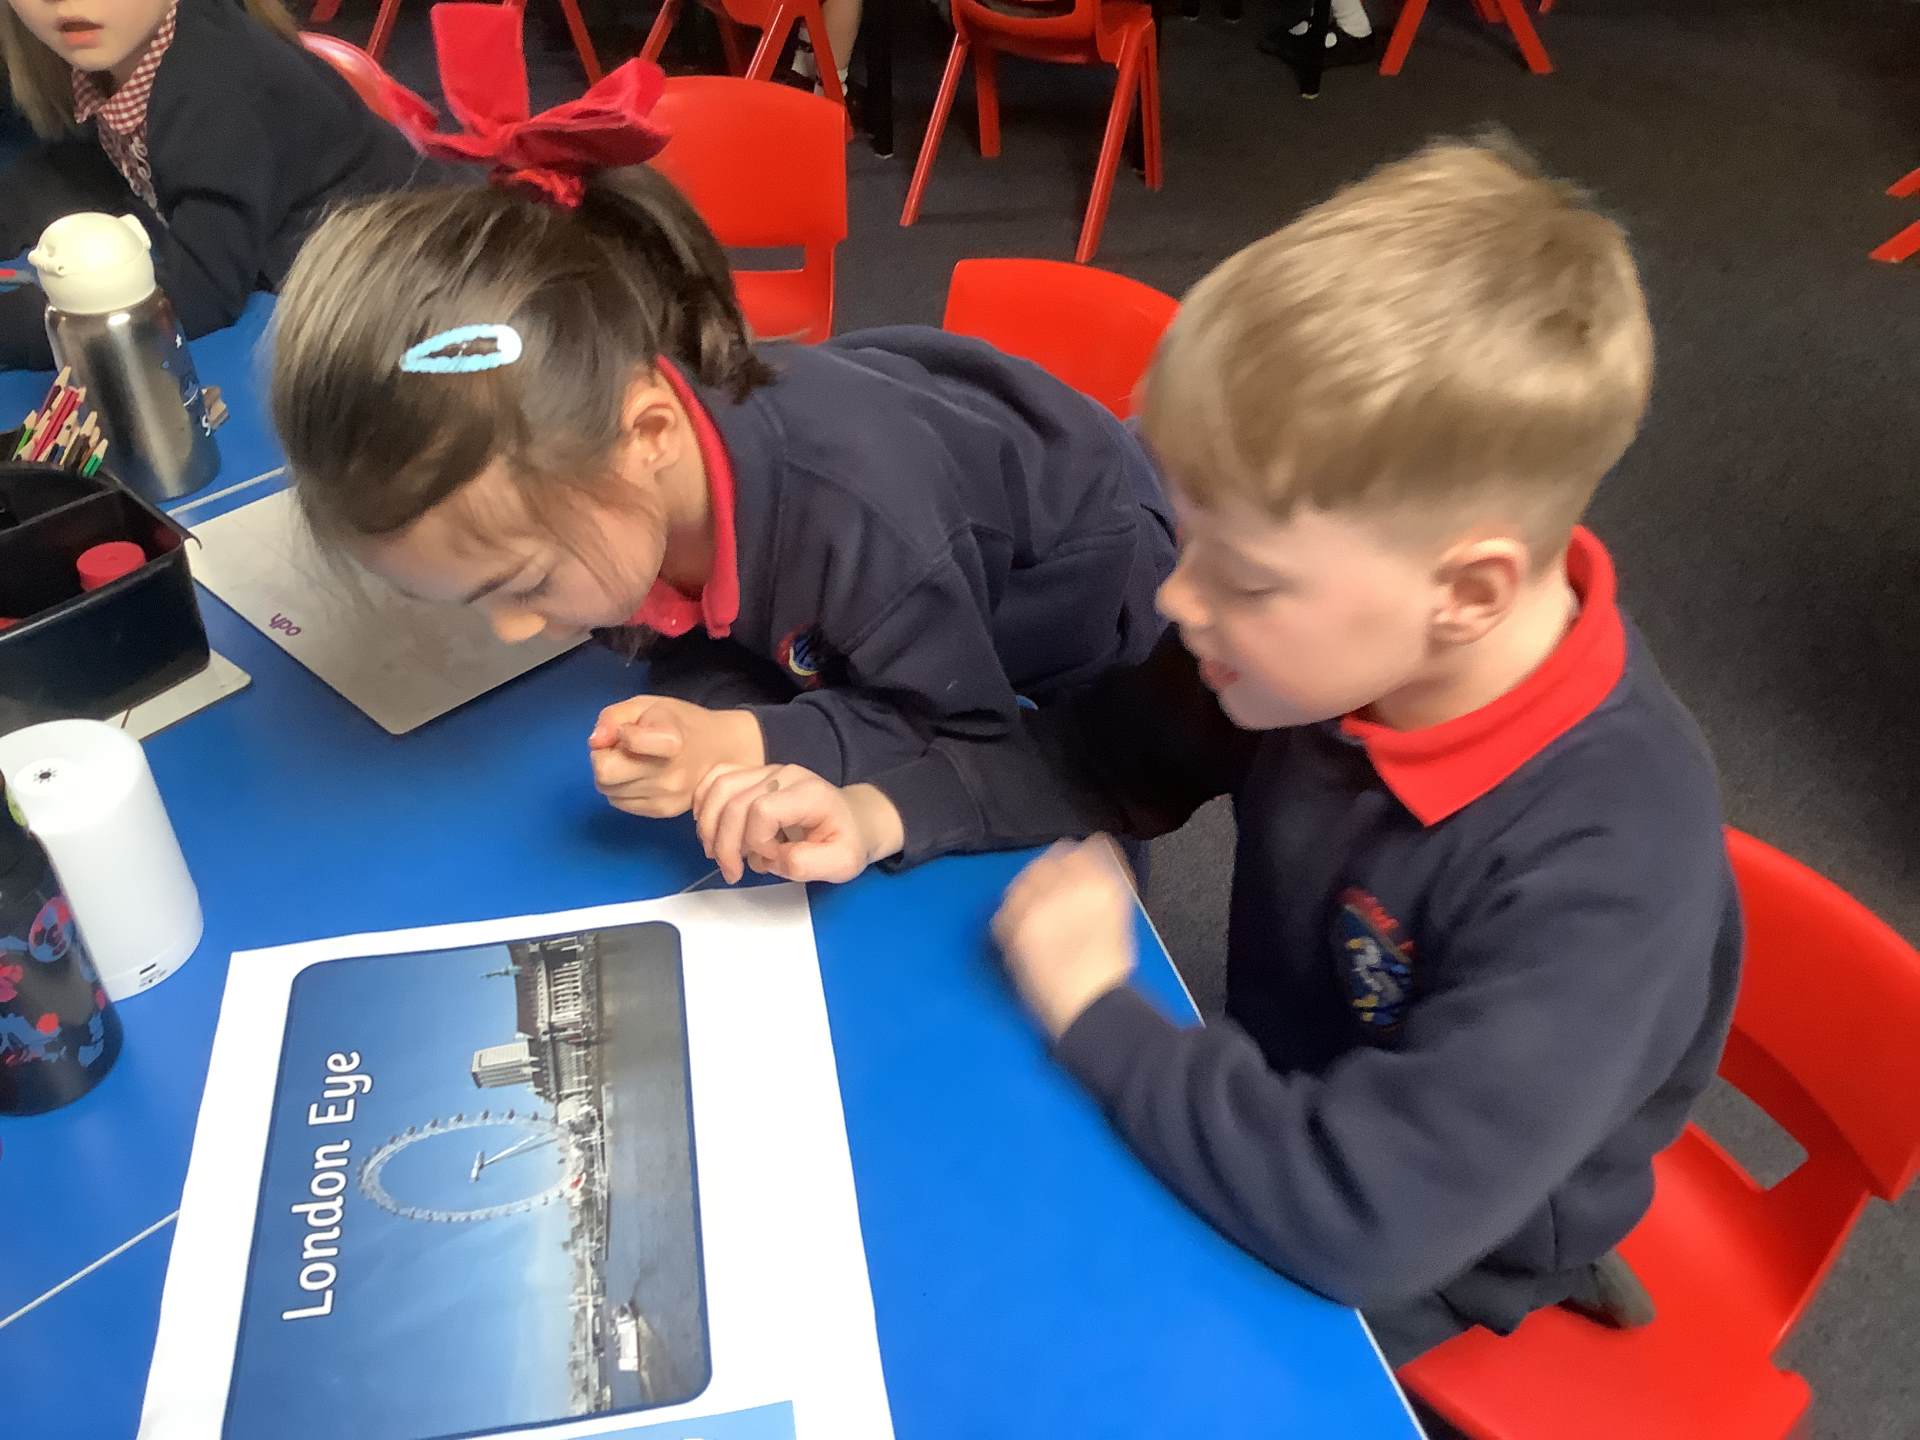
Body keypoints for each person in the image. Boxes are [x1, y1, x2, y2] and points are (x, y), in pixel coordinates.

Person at [686, 137, 1742, 1366]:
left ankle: (1547, 1263)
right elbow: (1098, 757)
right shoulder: (1315, 650)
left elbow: (1365, 1217)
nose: (1177, 599)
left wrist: (1099, 1010)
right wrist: (884, 811)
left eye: (1242, 576)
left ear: (1468, 594)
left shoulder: (1612, 864)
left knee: (1079, 1344)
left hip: (1438, 1237)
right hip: (1281, 1090)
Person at [267, 8, 1175, 827]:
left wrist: (747, 741)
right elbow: (700, 627)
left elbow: (968, 733)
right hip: (912, 543)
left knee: (1086, 784)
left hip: (1083, 586)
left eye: (524, 583)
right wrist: (703, 717)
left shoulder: (861, 523)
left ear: (650, 435)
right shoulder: (601, 471)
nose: (511, 629)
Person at [0, 0, 435, 369]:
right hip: (323, 291)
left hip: (414, 302)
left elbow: (198, 295)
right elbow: (75, 168)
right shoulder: (124, 56)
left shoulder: (217, 79)